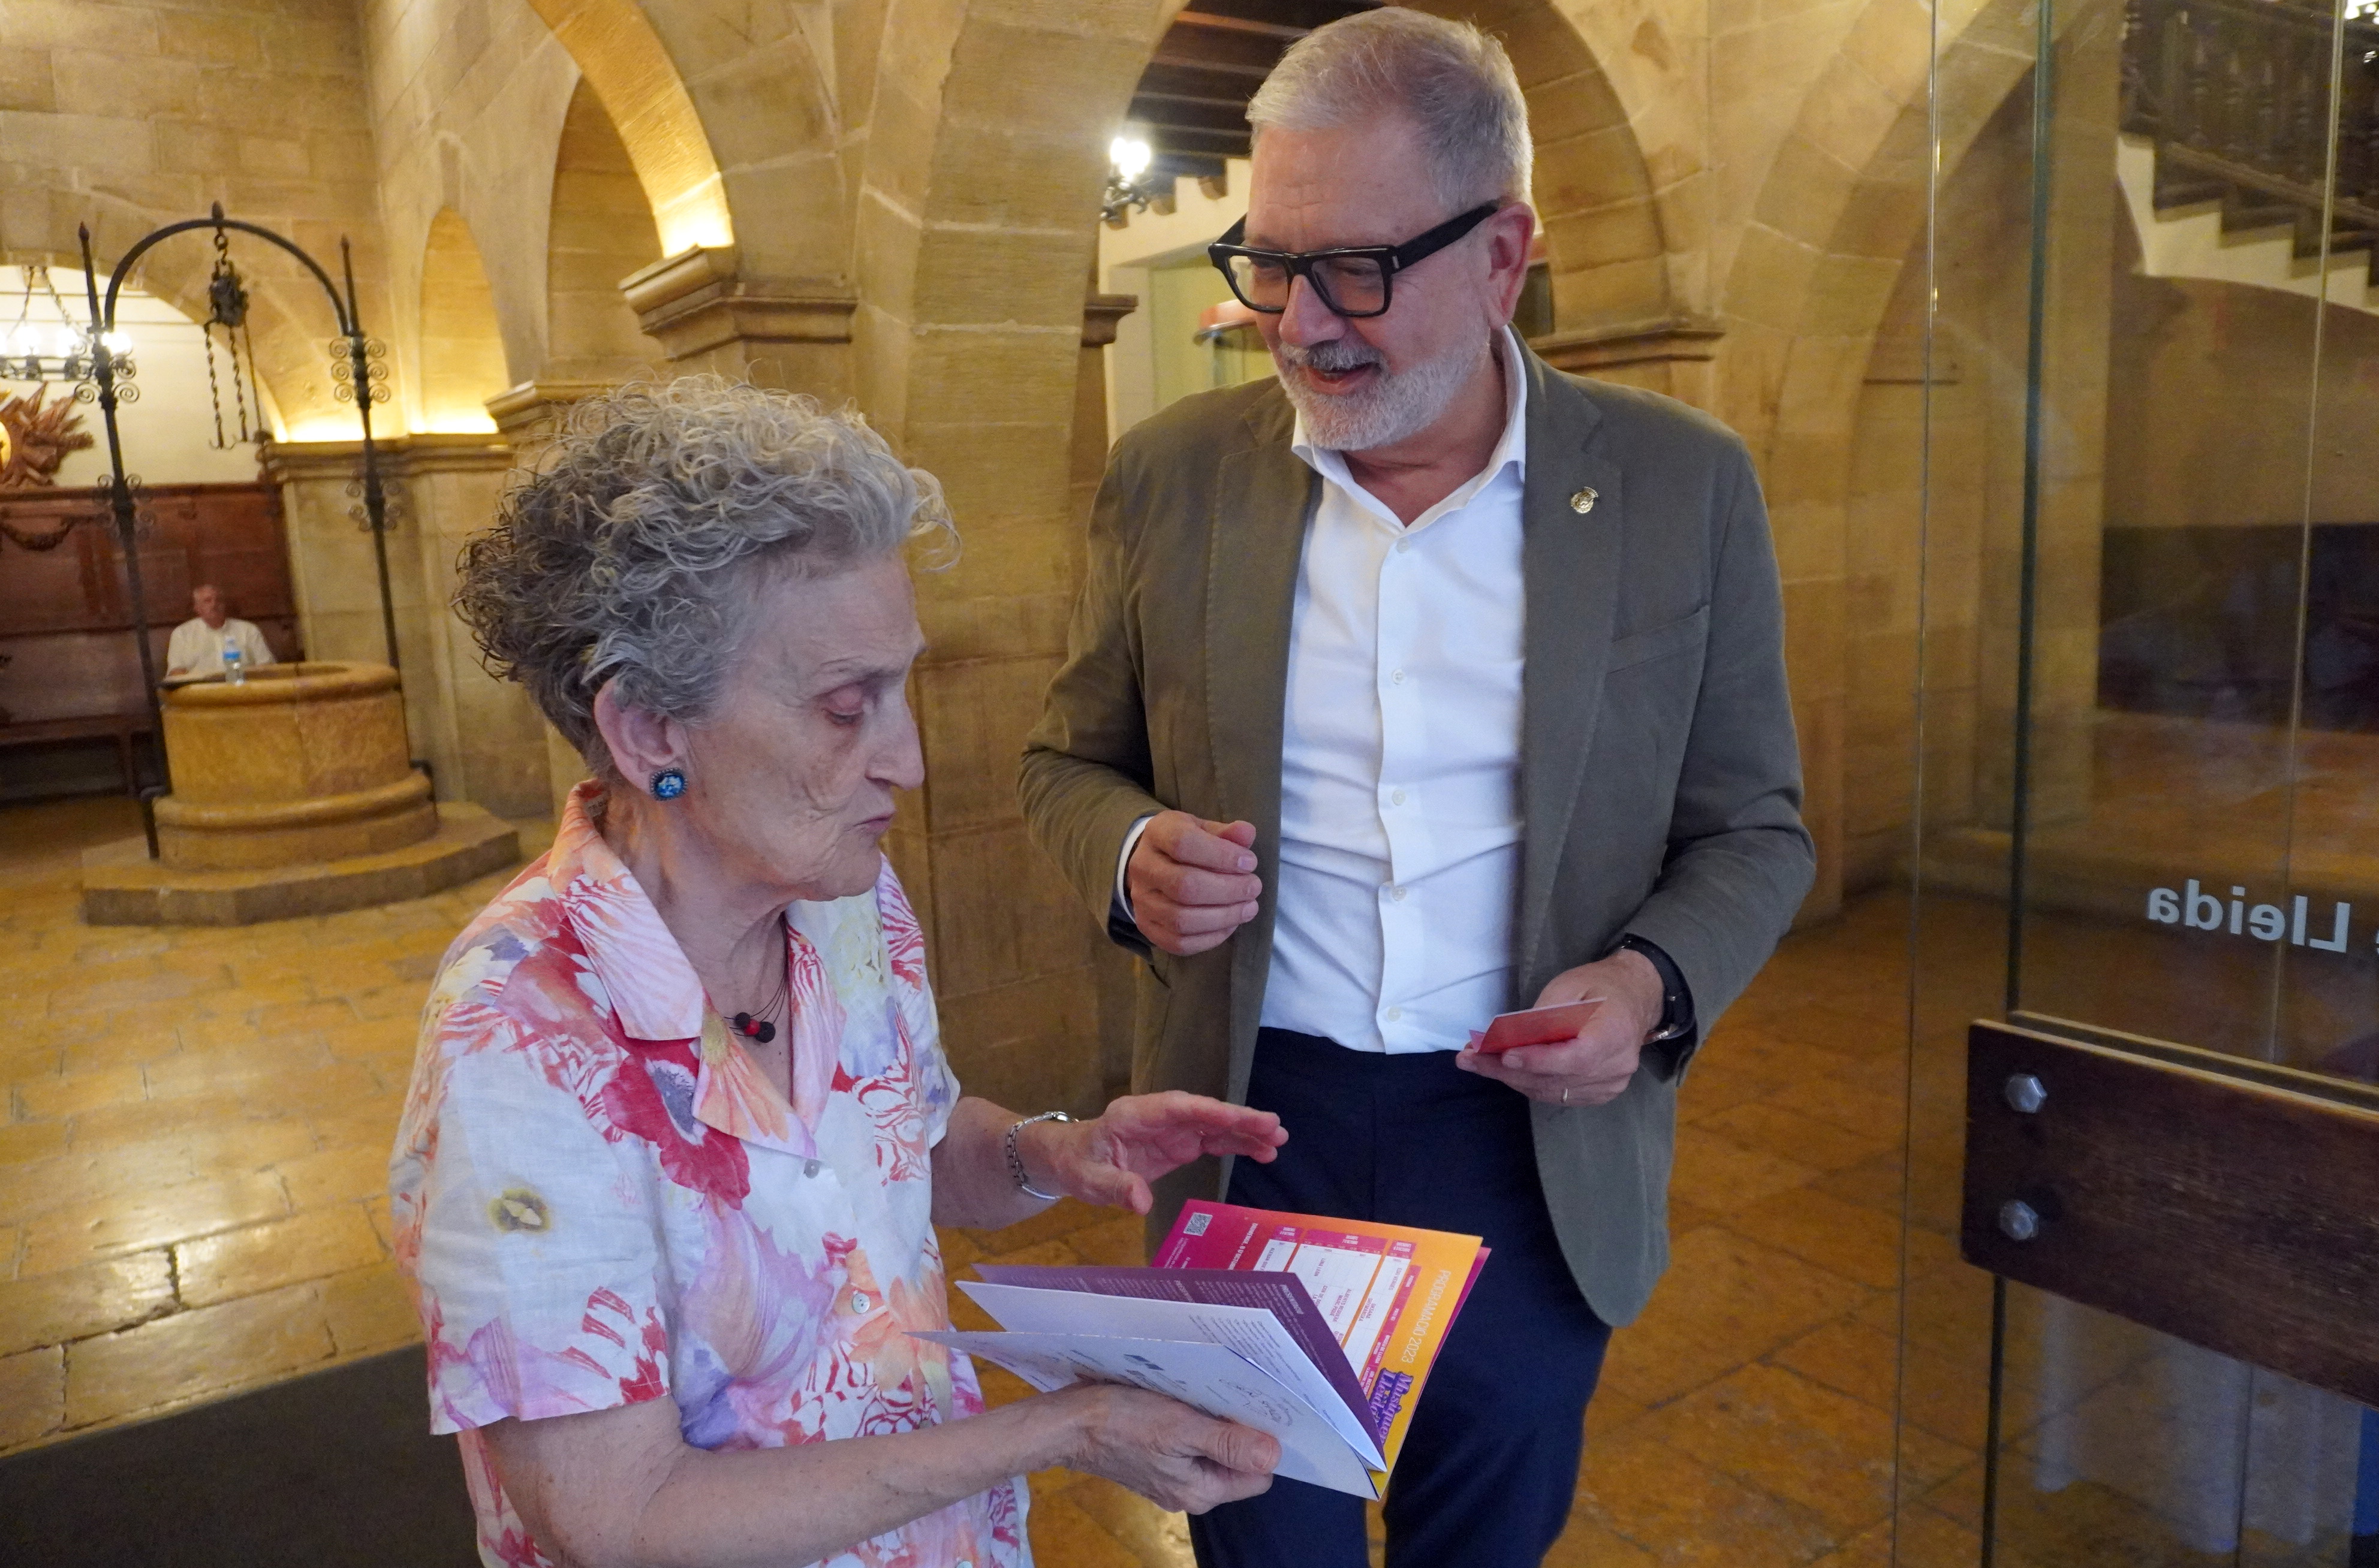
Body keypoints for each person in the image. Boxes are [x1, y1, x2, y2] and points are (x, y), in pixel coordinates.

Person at [1019, 11, 1815, 1567]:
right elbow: (1065, 758)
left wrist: (1652, 984)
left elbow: (1757, 829)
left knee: (1483, 1532)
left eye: (1360, 270)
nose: (1301, 323)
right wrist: (1127, 855)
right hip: (1256, 1119)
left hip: (1523, 1146)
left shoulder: (1678, 484)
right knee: (1264, 1540)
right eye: (1272, 261)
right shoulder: (1174, 475)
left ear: (1506, 251)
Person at [396, 379, 1285, 1568]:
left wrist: (1054, 1153)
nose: (908, 760)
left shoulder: (844, 904)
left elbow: (903, 1149)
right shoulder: (519, 1035)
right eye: (842, 708)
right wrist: (1058, 1428)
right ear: (650, 729)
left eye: (902, 687)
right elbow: (616, 1515)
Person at [164, 583, 275, 679]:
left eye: (219, 600)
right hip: (201, 695)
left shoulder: (248, 630)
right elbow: (176, 673)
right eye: (208, 601)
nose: (214, 605)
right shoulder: (182, 634)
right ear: (197, 608)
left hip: (243, 691)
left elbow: (267, 666)